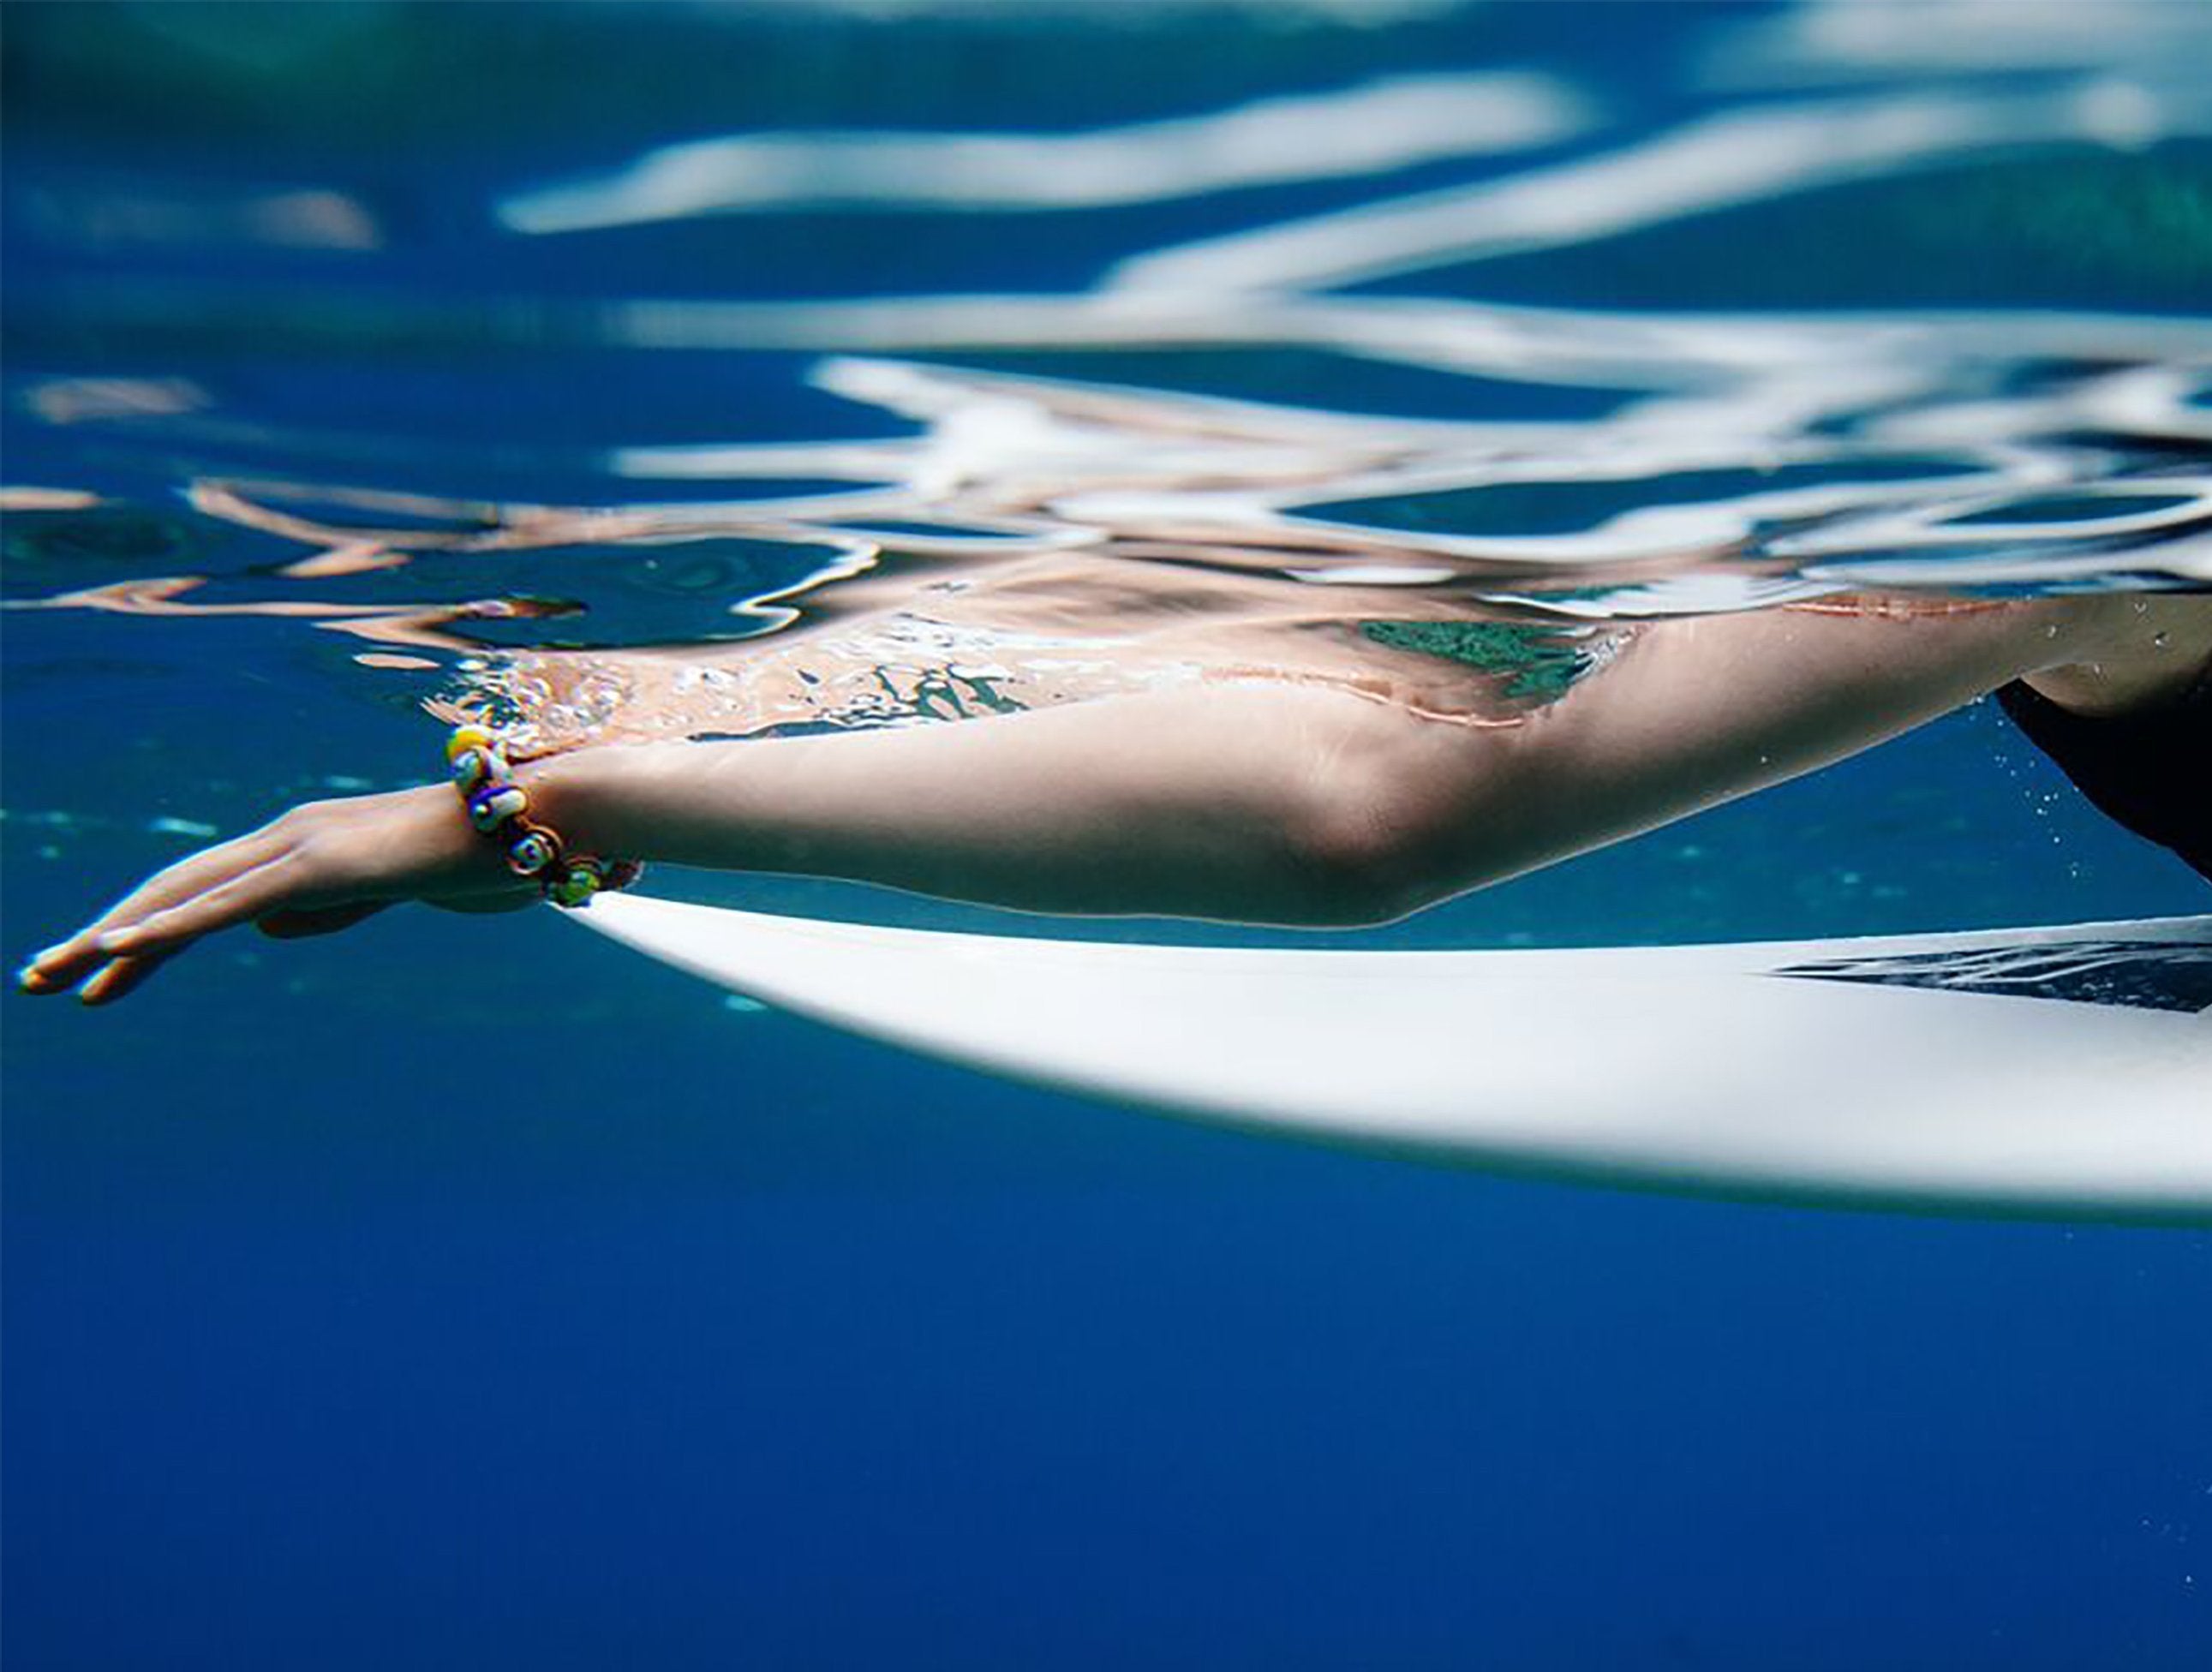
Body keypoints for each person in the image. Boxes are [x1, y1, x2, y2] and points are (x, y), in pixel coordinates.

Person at [18, 585, 2210, 1006]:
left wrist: (568, 802)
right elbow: (1348, 770)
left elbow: (1358, 805)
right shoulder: (2093, 491)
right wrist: (600, 777)